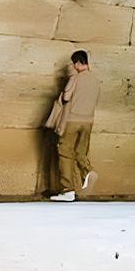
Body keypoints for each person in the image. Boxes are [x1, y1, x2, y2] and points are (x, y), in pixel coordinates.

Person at [46, 50, 100, 201]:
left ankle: (68, 189)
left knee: (64, 150)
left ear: (77, 63)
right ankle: (88, 171)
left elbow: (67, 97)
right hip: (88, 122)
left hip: (72, 120)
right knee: (80, 152)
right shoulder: (96, 80)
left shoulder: (76, 77)